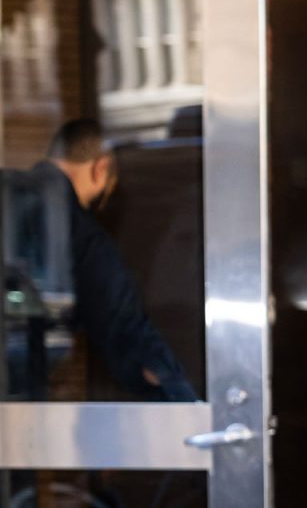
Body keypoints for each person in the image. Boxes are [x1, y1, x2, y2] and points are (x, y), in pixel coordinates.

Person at [2, 119, 196, 401]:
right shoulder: (78, 230)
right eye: (101, 198)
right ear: (100, 168)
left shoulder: (7, 190)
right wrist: (185, 403)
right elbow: (126, 332)